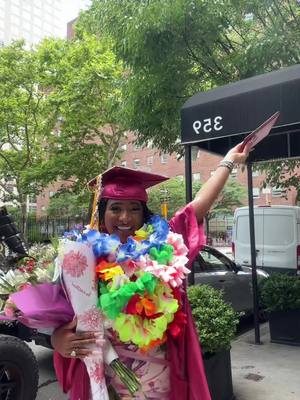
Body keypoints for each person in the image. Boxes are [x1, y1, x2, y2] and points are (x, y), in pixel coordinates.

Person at [51, 142, 250, 400]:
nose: (125, 217)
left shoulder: (163, 247)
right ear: (101, 213)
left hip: (162, 380)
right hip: (105, 384)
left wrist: (228, 161)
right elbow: (60, 320)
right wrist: (58, 340)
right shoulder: (80, 258)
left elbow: (196, 209)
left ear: (144, 214)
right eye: (116, 208)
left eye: (134, 208)